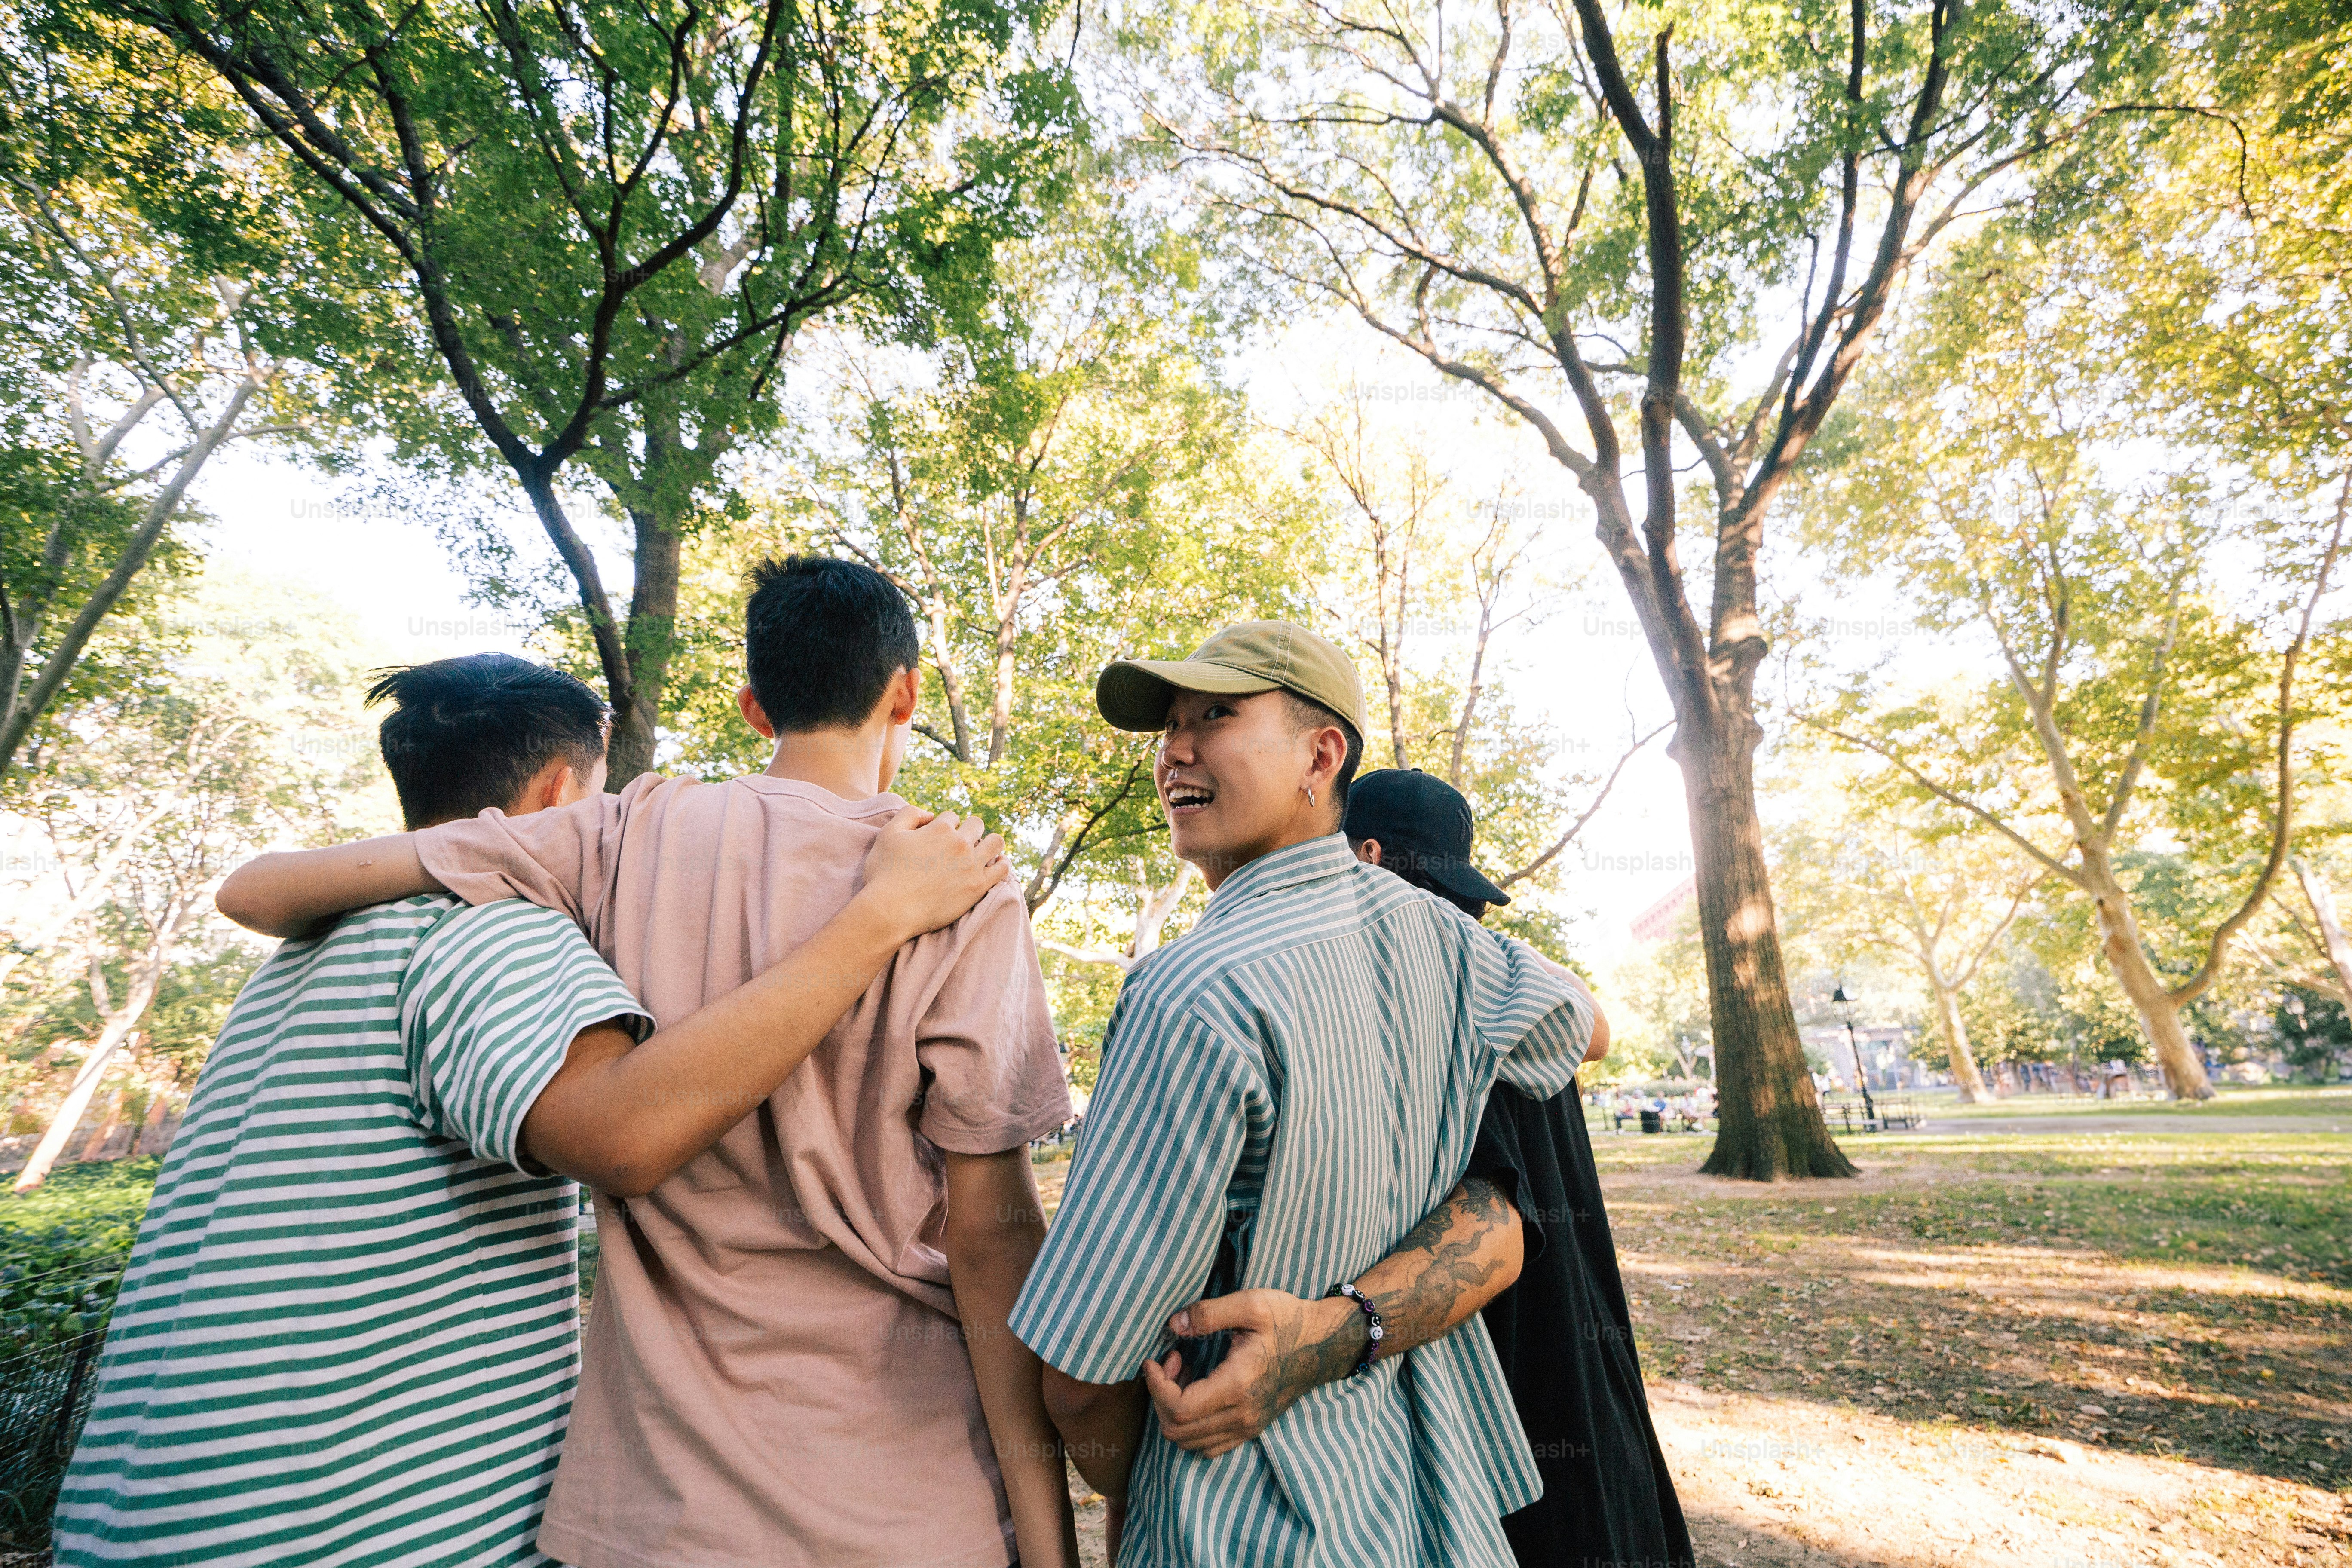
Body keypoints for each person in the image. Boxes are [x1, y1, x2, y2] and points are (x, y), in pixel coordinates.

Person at [211, 560, 1078, 1568]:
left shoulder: (617, 834)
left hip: (655, 1509)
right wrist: (1048, 1539)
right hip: (904, 1498)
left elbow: (259, 892)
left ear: (756, 708)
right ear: (906, 693)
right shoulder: (959, 882)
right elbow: (991, 1240)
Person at [1008, 622, 1593, 1568]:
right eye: (1169, 729)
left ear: (1322, 755)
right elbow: (1580, 1026)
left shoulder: (1191, 990)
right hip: (1430, 1504)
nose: (1176, 751)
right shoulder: (1456, 944)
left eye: (1216, 717)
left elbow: (1081, 1377)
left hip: (1244, 1520)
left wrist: (1144, 1480)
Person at [1139, 767, 1695, 1568]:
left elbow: (1495, 1225)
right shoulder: (1511, 988)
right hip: (1584, 1407)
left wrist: (1317, 1342)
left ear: (1359, 857)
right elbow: (1598, 1026)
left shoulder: (1437, 997)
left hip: (1506, 1416)